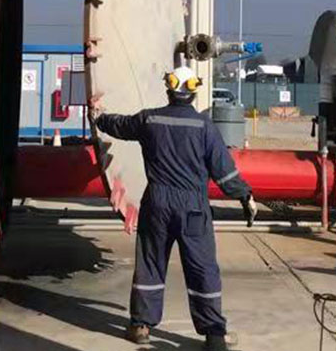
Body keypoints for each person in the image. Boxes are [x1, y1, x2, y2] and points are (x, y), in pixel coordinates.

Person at [91, 65, 257, 351]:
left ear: (168, 89)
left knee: (150, 262)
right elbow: (224, 171)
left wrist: (99, 117)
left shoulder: (149, 120)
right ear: (193, 91)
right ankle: (214, 334)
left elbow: (119, 125)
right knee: (202, 267)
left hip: (157, 203)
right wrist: (245, 196)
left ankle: (141, 325)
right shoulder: (205, 127)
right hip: (192, 205)